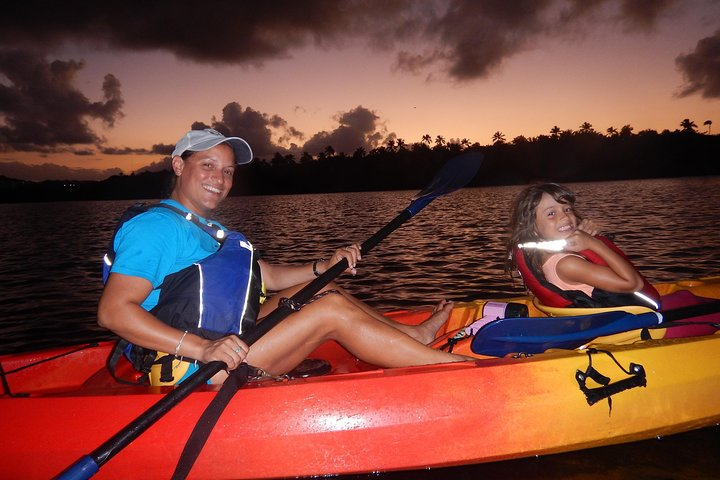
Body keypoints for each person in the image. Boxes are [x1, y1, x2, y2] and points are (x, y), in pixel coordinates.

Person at [98, 128, 471, 386]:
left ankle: (413, 334)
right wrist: (203, 347)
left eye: (228, 171)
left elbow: (261, 275)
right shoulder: (157, 228)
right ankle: (461, 369)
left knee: (321, 288)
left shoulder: (203, 227)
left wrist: (321, 267)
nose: (220, 178)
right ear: (179, 165)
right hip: (195, 366)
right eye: (207, 165)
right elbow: (114, 312)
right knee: (330, 311)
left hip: (227, 338)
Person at [506, 183, 659, 308]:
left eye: (567, 209)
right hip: (632, 323)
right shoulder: (568, 264)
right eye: (551, 213)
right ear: (531, 226)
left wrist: (581, 237)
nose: (565, 216)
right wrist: (594, 244)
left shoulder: (544, 255)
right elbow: (634, 284)